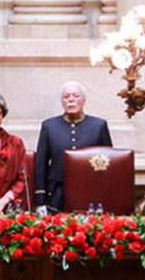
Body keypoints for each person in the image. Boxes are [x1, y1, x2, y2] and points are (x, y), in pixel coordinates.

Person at [34, 81, 113, 214]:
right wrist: (40, 200)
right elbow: (41, 165)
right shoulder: (49, 126)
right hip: (58, 194)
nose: (70, 99)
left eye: (75, 95)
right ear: (62, 101)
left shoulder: (99, 126)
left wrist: (107, 197)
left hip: (91, 192)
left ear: (83, 100)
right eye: (66, 96)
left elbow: (110, 165)